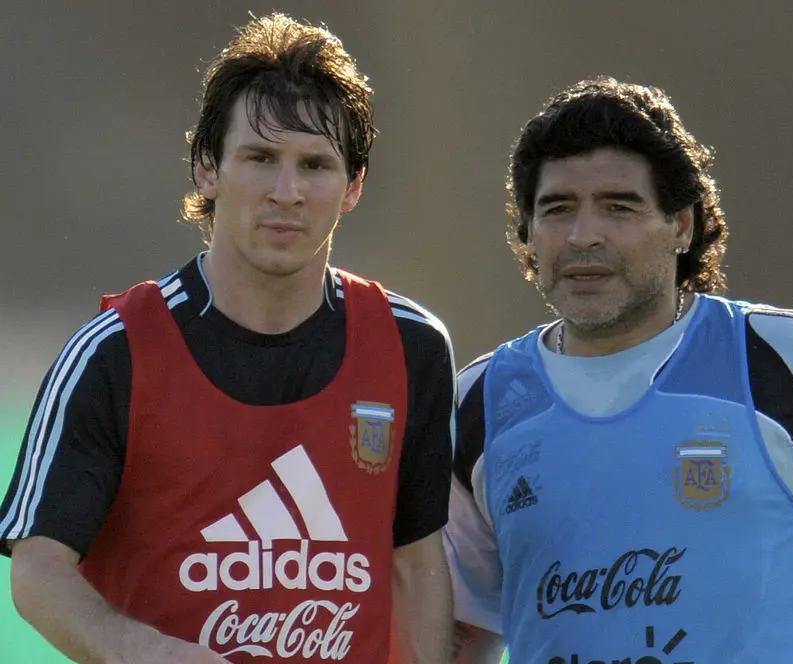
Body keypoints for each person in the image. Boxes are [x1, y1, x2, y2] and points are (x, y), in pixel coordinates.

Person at [0, 12, 454, 664]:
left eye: (315, 164)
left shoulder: (411, 347)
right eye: (260, 158)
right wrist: (154, 655)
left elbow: (416, 568)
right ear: (206, 169)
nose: (286, 192)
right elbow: (38, 570)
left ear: (353, 186)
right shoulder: (115, 352)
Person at [443, 76, 793, 664]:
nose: (583, 235)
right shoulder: (478, 402)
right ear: (527, 232)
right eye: (557, 209)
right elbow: (461, 635)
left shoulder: (783, 359)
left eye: (619, 207)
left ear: (681, 224)